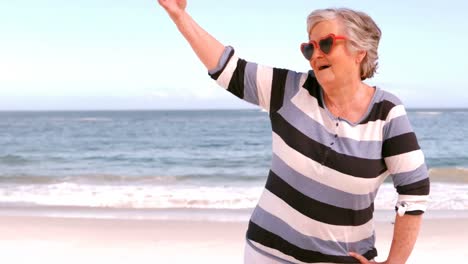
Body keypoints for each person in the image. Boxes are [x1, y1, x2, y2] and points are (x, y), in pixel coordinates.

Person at [157, 1, 431, 263]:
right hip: (266, 254)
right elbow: (228, 68)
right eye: (309, 48)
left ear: (360, 52)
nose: (316, 54)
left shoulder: (387, 113)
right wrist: (178, 14)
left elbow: (414, 189)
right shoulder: (289, 89)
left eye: (326, 43)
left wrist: (395, 261)